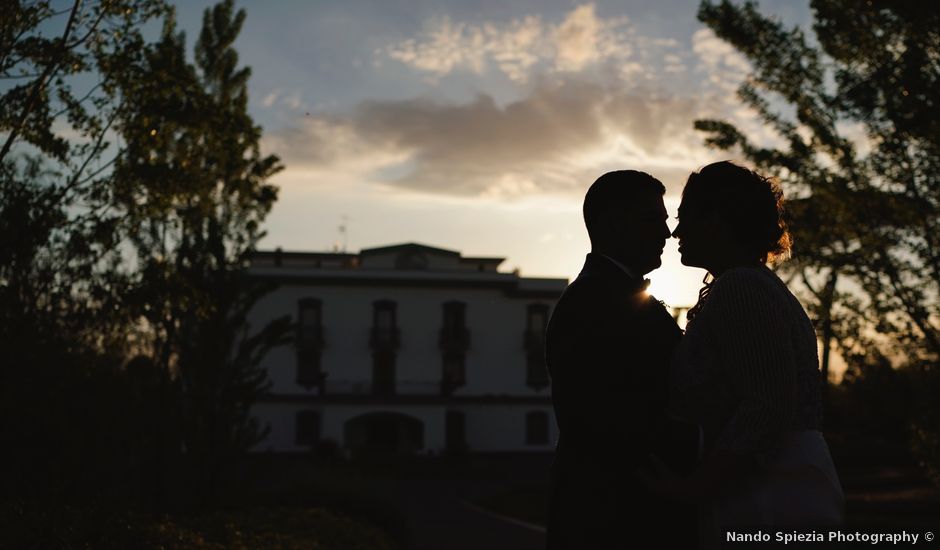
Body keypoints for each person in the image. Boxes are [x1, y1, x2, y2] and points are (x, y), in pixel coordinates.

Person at [661, 161, 844, 545]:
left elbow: (767, 404)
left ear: (718, 221)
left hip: (767, 495)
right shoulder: (752, 284)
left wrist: (694, 488)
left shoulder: (742, 287)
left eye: (687, 217)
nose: (676, 232)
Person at [545, 170, 698, 550]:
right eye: (654, 220)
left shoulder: (605, 295)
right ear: (615, 223)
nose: (666, 233)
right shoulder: (598, 302)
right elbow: (605, 417)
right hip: (617, 518)